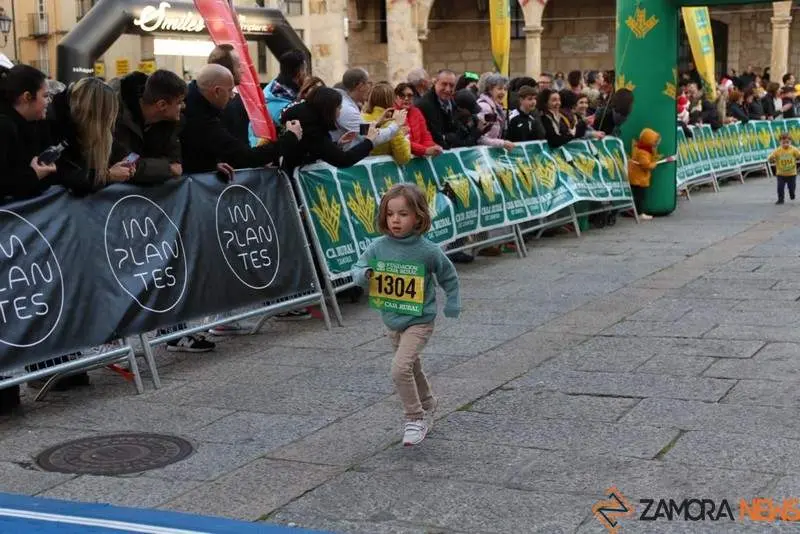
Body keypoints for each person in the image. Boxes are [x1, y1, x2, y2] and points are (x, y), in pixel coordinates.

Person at [352, 184, 460, 446]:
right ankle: (428, 402)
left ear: (419, 217)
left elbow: (448, 275)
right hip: (392, 320)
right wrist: (365, 275)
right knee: (411, 366)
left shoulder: (428, 250)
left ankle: (415, 417)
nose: (395, 220)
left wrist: (453, 301)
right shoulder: (378, 246)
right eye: (390, 214)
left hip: (420, 320)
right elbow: (357, 267)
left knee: (400, 368)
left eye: (403, 214)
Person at [180, 64, 302, 175]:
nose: (232, 96)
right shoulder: (201, 119)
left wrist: (207, 166)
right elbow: (244, 156)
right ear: (217, 91)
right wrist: (289, 138)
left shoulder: (195, 103)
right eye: (229, 91)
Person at [48, 77, 132, 193]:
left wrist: (130, 162)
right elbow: (66, 175)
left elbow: (118, 149)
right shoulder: (54, 126)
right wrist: (108, 176)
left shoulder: (79, 124)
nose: (107, 125)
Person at [110, 69, 186, 184]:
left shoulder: (171, 122)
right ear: (162, 105)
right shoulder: (117, 118)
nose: (183, 106)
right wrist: (167, 168)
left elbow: (176, 163)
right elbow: (125, 166)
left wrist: (147, 166)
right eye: (179, 102)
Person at [280, 86, 378, 172]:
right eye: (339, 108)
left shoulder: (308, 116)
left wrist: (336, 145)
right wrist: (369, 141)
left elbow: (315, 149)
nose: (340, 112)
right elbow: (343, 160)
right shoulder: (312, 127)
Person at [0, 64, 57, 201]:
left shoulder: (31, 123)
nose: (48, 101)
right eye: (45, 96)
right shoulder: (4, 126)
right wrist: (33, 174)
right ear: (27, 96)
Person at [333, 68, 403, 147]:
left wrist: (377, 123)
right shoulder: (347, 109)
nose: (370, 87)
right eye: (368, 83)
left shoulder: (346, 103)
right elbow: (372, 137)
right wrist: (396, 125)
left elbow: (362, 129)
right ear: (361, 86)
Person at [361, 82, 411, 164]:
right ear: (391, 100)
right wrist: (405, 138)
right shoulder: (392, 123)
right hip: (383, 172)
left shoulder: (361, 118)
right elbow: (403, 157)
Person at [393, 82, 442, 157]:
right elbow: (402, 141)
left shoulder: (417, 112)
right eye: (402, 95)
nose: (406, 98)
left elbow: (425, 134)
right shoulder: (392, 113)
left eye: (409, 96)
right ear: (396, 97)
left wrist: (432, 147)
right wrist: (425, 150)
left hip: (417, 157)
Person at [628, 128, 665, 220]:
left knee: (637, 196)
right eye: (654, 142)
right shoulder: (643, 152)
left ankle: (635, 211)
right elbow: (646, 165)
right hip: (639, 179)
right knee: (640, 197)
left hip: (637, 177)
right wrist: (654, 164)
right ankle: (640, 213)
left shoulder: (640, 148)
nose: (655, 144)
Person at [263, 49, 307, 127]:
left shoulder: (269, 92)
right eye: (305, 69)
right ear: (299, 72)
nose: (306, 74)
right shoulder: (289, 108)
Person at [417, 69, 458, 149]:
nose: (448, 89)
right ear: (435, 82)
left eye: (452, 85)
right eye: (444, 84)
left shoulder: (453, 102)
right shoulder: (424, 106)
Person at [475, 73, 514, 150]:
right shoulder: (485, 107)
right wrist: (502, 143)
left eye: (505, 89)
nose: (503, 92)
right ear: (490, 89)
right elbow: (480, 138)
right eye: (499, 89)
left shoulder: (497, 107)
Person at [768, 132, 800, 205]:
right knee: (780, 187)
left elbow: (798, 155)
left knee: (792, 187)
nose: (785, 144)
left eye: (787, 142)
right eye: (783, 143)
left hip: (792, 173)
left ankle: (792, 194)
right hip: (780, 173)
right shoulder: (778, 150)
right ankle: (780, 199)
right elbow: (771, 157)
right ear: (780, 142)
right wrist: (770, 158)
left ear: (790, 142)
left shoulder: (793, 149)